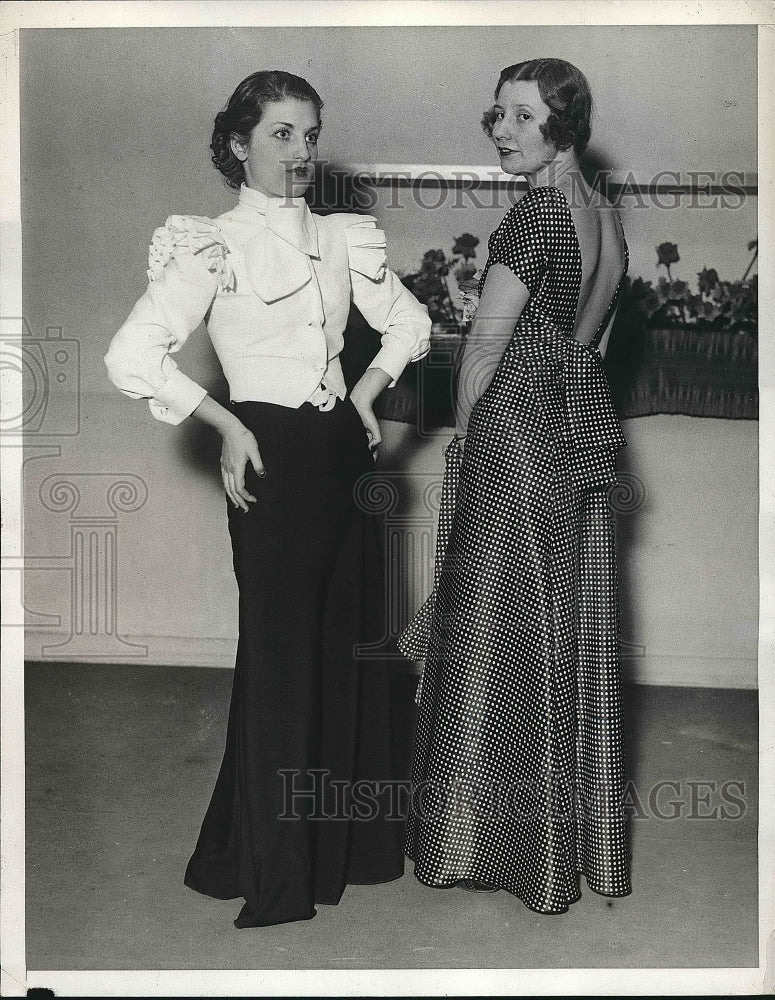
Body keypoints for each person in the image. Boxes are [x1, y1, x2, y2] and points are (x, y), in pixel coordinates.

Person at [105, 70, 431, 928]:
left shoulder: (342, 237)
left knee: (347, 650)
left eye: (311, 134)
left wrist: (367, 391)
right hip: (272, 461)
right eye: (282, 134)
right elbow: (132, 356)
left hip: (338, 457)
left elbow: (410, 324)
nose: (302, 152)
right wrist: (224, 424)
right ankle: (271, 869)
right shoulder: (207, 244)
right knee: (282, 663)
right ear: (240, 143)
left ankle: (347, 851)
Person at [398, 58, 632, 912]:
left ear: (561, 126)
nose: (500, 129)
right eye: (494, 114)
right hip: (569, 433)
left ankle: (478, 844)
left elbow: (485, 350)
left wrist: (465, 447)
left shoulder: (535, 212)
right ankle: (546, 853)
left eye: (520, 116)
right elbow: (592, 348)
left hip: (509, 432)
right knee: (549, 633)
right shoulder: (603, 217)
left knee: (491, 632)